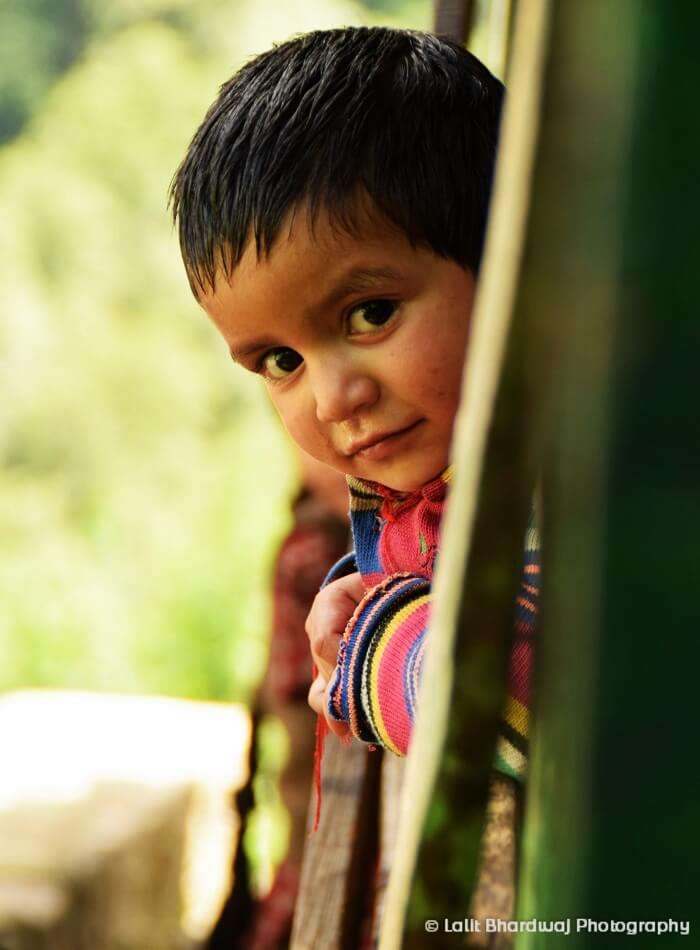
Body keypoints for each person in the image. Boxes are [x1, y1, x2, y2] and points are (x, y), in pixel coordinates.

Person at [169, 25, 538, 808]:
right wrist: (370, 594)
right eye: (281, 362)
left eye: (370, 314)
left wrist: (373, 650)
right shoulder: (436, 485)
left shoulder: (552, 479)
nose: (334, 400)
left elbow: (495, 692)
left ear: (513, 264)